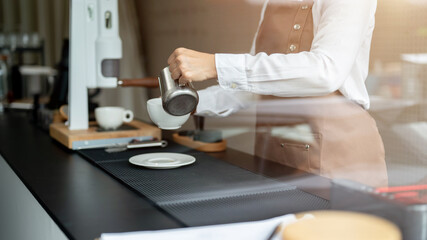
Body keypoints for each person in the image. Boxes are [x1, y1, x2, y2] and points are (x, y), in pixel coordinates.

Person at [167, 0, 388, 187]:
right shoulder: (271, 3)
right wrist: (186, 103)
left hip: (339, 156)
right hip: (276, 153)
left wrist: (216, 65)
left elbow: (326, 71)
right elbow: (255, 84)